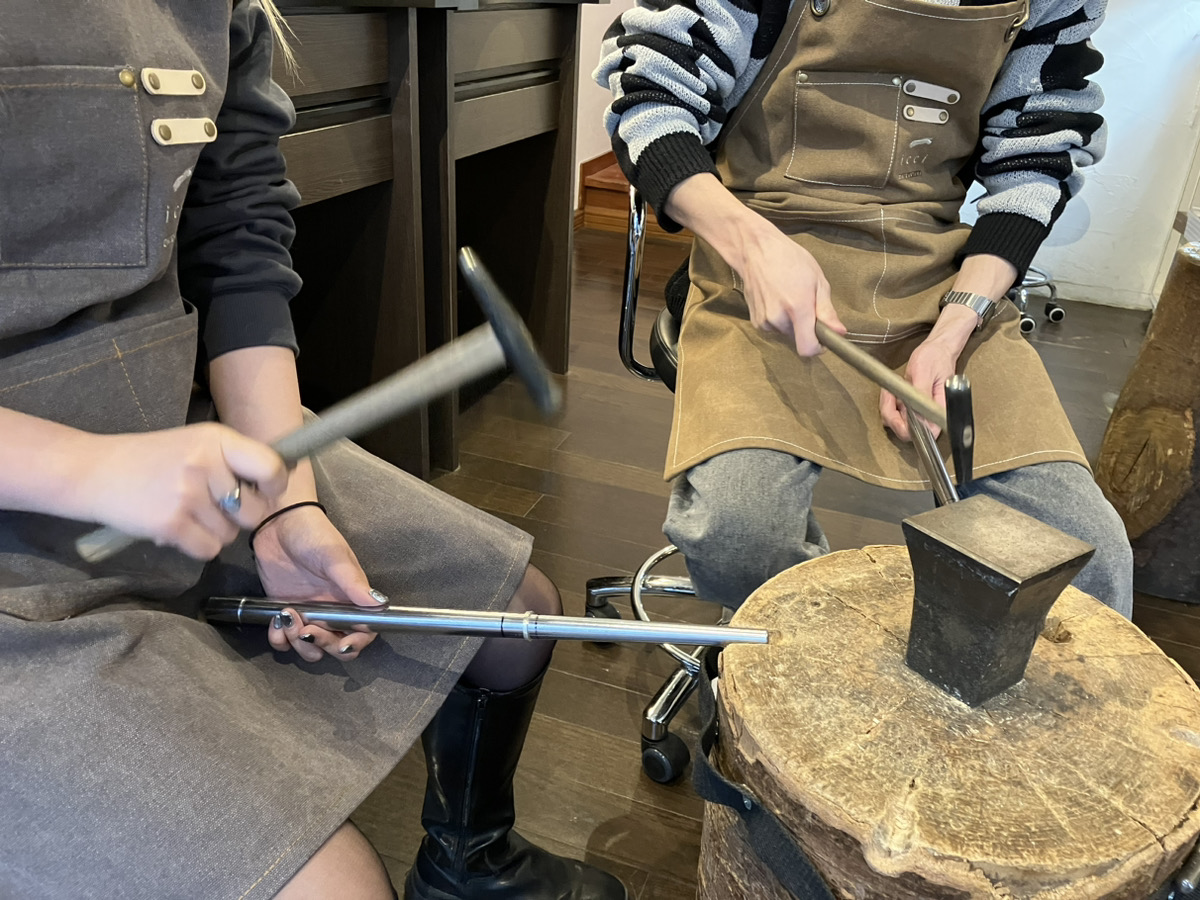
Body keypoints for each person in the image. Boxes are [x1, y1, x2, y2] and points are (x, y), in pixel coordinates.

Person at [0, 3, 628, 899]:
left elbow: (237, 241)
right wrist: (84, 470)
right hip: (26, 520)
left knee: (509, 616)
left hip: (169, 451)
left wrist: (286, 501)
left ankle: (469, 865)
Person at [595, 0, 1134, 616]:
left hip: (940, 285)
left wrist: (954, 327)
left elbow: (1035, 161)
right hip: (759, 272)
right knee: (740, 535)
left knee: (1089, 558)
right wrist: (752, 246)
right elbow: (649, 94)